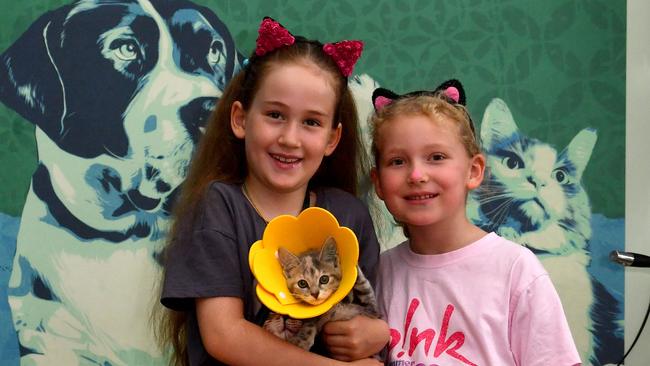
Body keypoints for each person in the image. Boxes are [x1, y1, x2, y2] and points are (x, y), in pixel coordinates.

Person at [156, 17, 388, 366]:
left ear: (332, 139)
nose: (290, 139)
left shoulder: (349, 214)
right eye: (275, 115)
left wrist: (377, 334)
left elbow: (367, 316)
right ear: (240, 119)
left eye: (311, 122)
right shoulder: (218, 207)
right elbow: (225, 336)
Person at [369, 80, 581, 366]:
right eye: (397, 161)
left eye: (436, 157)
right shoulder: (378, 274)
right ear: (378, 182)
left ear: (474, 171)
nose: (417, 174)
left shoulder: (516, 270)